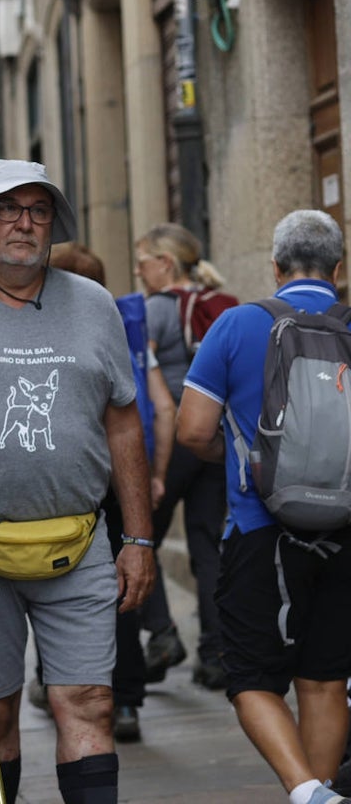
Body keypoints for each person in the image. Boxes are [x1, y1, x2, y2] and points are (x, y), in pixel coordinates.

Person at [0, 159, 156, 804]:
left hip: (81, 539)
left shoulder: (93, 304)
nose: (24, 222)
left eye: (38, 210)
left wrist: (141, 539)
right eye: (7, 209)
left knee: (92, 703)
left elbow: (124, 423)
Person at [177, 209, 351, 804]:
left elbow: (193, 430)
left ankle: (304, 791)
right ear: (339, 268)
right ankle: (322, 789)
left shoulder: (235, 325)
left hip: (259, 529)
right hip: (345, 533)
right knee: (326, 679)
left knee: (250, 676)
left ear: (274, 266)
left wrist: (235, 461)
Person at [45, 243, 176, 744]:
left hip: (78, 486)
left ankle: (58, 685)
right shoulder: (123, 327)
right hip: (123, 478)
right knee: (121, 596)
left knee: (63, 593)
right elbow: (159, 410)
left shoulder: (54, 330)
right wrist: (154, 474)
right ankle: (125, 701)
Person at [134, 223, 229, 689]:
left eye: (143, 261)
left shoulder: (155, 310)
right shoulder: (216, 302)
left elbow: (142, 379)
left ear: (165, 264)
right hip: (213, 438)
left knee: (140, 538)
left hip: (173, 440)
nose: (138, 270)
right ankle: (216, 654)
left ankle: (165, 636)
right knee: (207, 544)